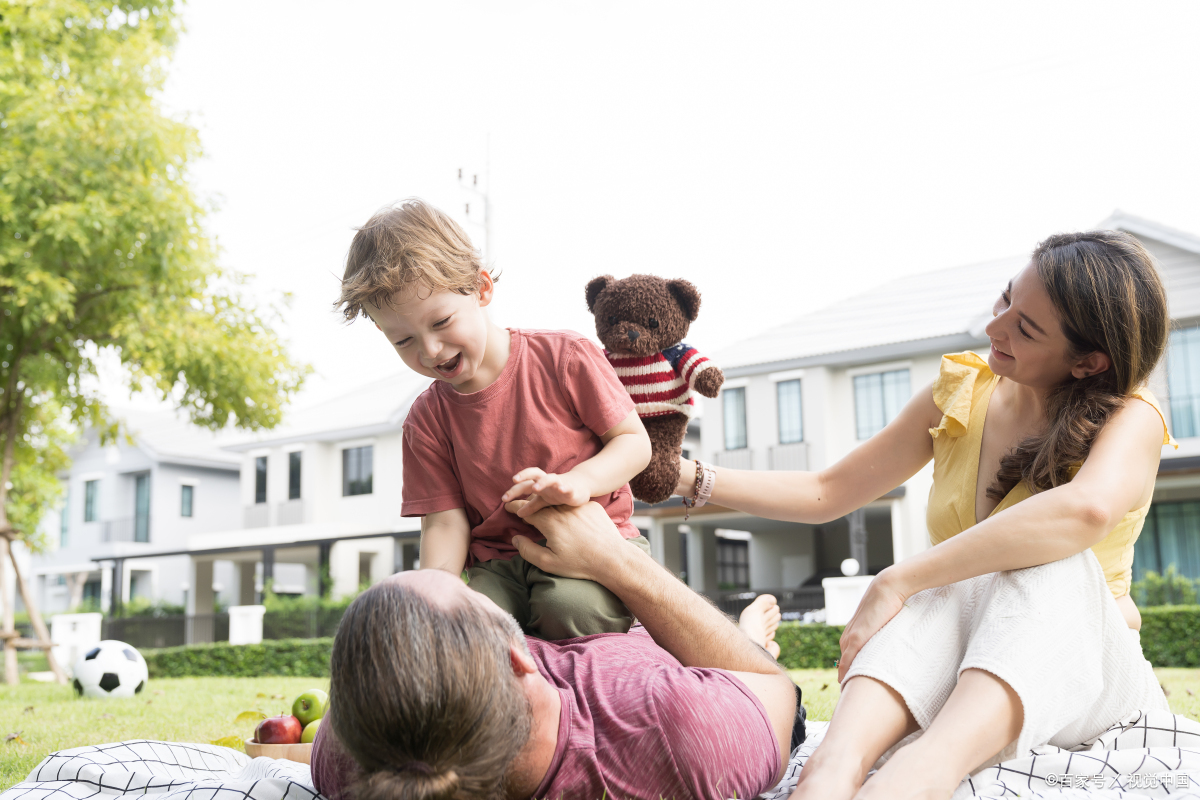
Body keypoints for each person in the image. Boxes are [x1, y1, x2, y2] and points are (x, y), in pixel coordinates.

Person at [671, 230, 1173, 800]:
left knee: (1039, 560)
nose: (994, 327)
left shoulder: (1133, 416)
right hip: (957, 660)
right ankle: (834, 769)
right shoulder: (961, 390)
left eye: (1025, 328)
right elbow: (828, 489)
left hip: (1086, 675)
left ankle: (920, 775)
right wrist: (683, 475)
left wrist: (900, 578)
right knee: (951, 583)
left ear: (1088, 362)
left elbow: (1083, 512)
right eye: (1005, 300)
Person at [310, 499, 801, 800]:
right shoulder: (679, 729)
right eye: (467, 591)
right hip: (683, 666)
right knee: (744, 659)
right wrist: (614, 560)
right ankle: (747, 636)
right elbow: (779, 691)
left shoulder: (351, 761)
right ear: (516, 657)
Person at [336, 199, 654, 640]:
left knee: (568, 609)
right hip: (498, 567)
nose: (430, 350)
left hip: (591, 543)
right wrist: (434, 601)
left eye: (442, 321)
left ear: (481, 289)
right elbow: (446, 524)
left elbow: (634, 443)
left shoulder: (564, 357)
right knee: (476, 632)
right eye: (404, 340)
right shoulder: (426, 420)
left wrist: (580, 482)